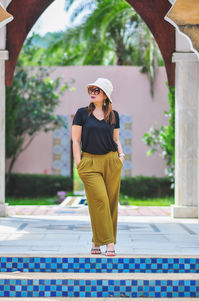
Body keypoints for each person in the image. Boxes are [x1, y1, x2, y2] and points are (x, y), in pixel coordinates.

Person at [72, 77, 125, 256]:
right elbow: (75, 139)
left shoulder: (113, 115)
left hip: (111, 161)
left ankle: (96, 242)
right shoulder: (81, 113)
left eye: (97, 90)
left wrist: (121, 155)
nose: (93, 93)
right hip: (90, 163)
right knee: (100, 200)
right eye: (91, 90)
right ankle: (109, 243)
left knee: (110, 203)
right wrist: (78, 163)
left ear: (105, 95)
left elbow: (116, 139)